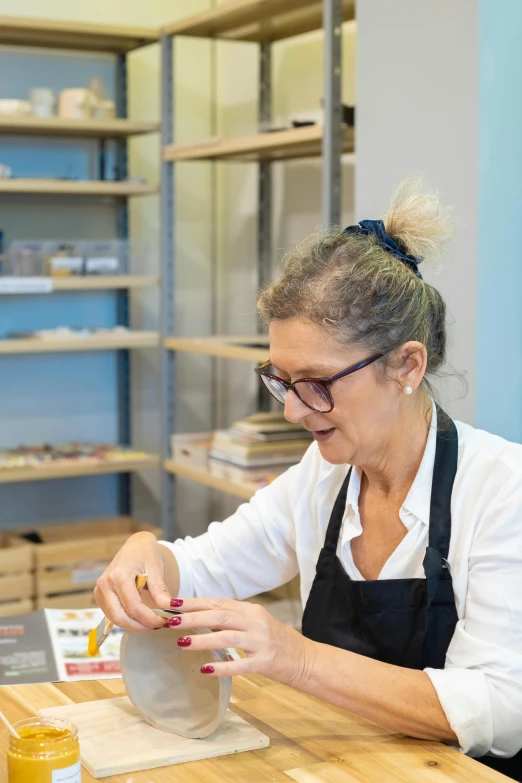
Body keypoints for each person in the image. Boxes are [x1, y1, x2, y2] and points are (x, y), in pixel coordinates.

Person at [95, 179, 522, 780]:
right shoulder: (323, 478)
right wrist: (147, 556)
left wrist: (295, 659)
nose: (294, 411)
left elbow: (503, 710)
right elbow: (203, 567)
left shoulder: (503, 490)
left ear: (407, 365)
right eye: (283, 380)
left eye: (319, 383)